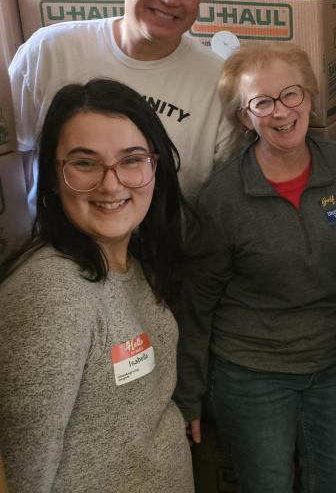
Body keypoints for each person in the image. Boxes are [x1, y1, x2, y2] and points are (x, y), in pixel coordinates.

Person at [175, 43, 336, 493]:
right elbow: (197, 302)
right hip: (251, 373)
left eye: (291, 94)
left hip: (335, 366)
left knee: (334, 483)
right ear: (245, 118)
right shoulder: (224, 195)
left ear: (310, 98)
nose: (281, 112)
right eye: (262, 102)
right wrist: (188, 396)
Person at [0, 79, 192, 492]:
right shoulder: (50, 294)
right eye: (85, 163)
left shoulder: (130, 261)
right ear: (52, 176)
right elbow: (25, 474)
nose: (111, 183)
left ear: (155, 168)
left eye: (131, 159)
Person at [9, 0, 238, 204]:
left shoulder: (218, 80)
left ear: (200, 0)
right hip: (62, 243)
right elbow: (10, 155)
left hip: (171, 245)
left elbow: (226, 192)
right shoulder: (50, 51)